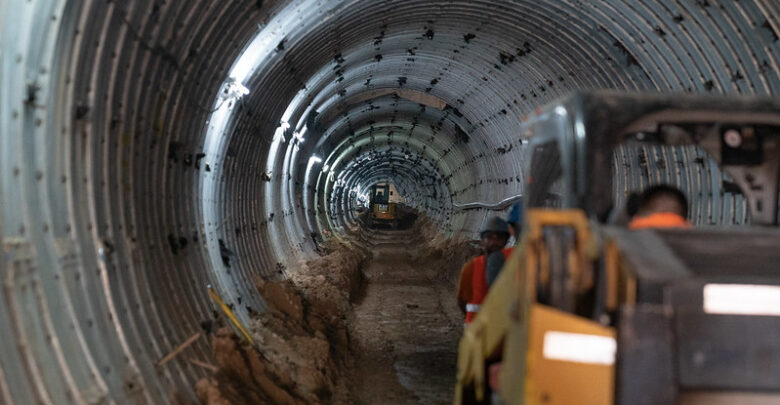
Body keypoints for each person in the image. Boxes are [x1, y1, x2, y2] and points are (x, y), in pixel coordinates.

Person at [456, 216, 513, 324]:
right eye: (489, 238)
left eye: (499, 238)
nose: (494, 242)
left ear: (506, 241)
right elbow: (462, 301)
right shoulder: (471, 268)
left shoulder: (515, 267)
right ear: (482, 240)